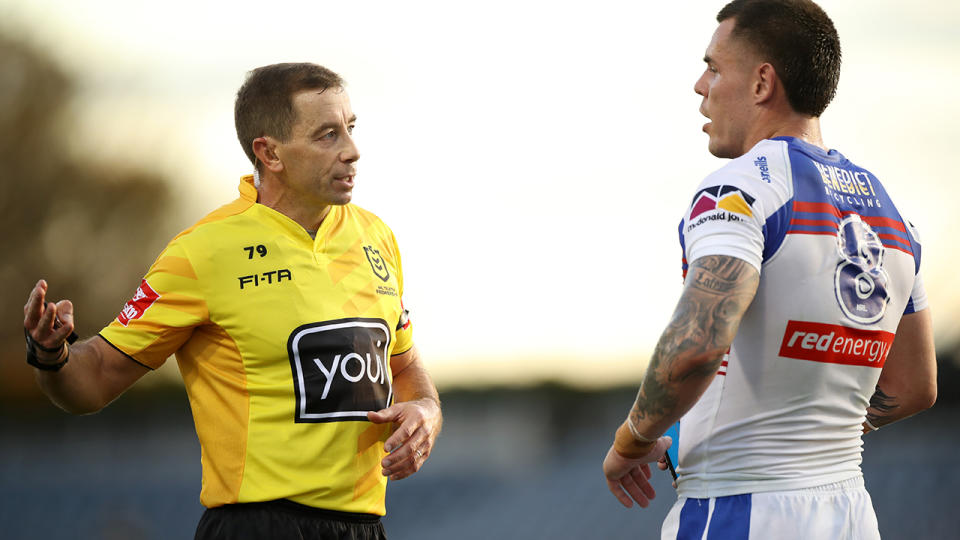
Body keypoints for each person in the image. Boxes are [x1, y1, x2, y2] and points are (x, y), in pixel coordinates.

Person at [22, 63, 442, 540]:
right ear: (270, 153)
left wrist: (425, 411)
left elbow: (405, 368)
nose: (352, 150)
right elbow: (93, 378)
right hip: (258, 526)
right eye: (328, 135)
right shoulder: (205, 251)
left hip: (365, 528)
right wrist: (51, 353)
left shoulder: (377, 237)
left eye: (350, 128)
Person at [601, 1, 937, 538]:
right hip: (851, 512)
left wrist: (631, 443)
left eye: (713, 67)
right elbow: (916, 386)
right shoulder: (890, 211)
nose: (699, 85)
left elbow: (697, 345)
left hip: (741, 509)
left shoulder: (738, 189)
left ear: (762, 82)